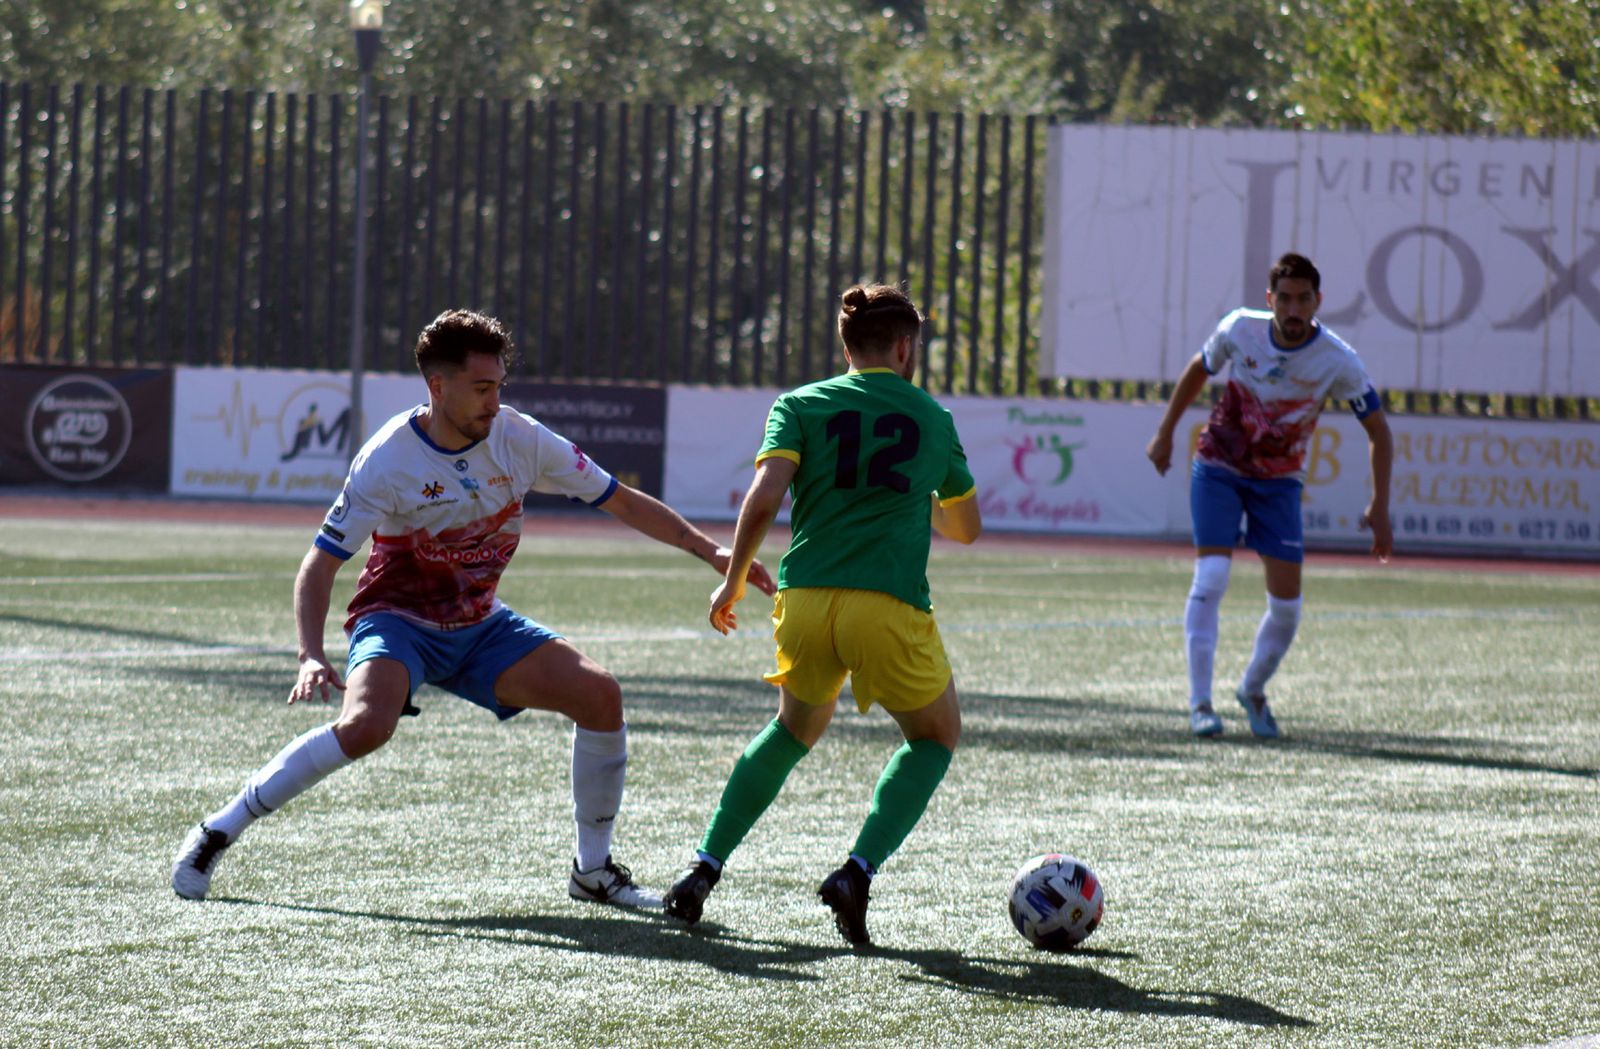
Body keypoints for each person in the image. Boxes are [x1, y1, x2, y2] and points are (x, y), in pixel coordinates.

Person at [171, 309, 774, 907]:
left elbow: (621, 501)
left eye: (499, 387)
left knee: (600, 696)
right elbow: (321, 562)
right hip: (399, 620)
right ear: (439, 387)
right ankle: (218, 830)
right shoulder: (387, 460)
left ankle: (593, 872)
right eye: (481, 389)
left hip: (481, 623)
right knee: (366, 726)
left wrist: (716, 552)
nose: (493, 402)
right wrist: (309, 654)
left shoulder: (521, 437)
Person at [661, 283, 982, 946]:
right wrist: (921, 495)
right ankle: (857, 871)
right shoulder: (932, 416)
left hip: (802, 599)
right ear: (904, 346)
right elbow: (967, 527)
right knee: (934, 734)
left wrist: (729, 581)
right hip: (887, 604)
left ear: (845, 346)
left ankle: (703, 867)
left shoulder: (800, 404)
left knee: (791, 730)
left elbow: (764, 496)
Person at [1146, 252, 1393, 739]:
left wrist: (1380, 505)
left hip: (1278, 483)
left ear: (1318, 301)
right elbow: (1201, 367)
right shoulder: (1241, 329)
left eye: (1304, 299)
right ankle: (1200, 704)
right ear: (1270, 300)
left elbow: (1379, 433)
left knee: (1286, 609)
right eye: (1285, 299)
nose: (1294, 309)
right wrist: (1166, 431)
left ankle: (1252, 689)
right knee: (1212, 575)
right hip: (1219, 466)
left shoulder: (1338, 360)